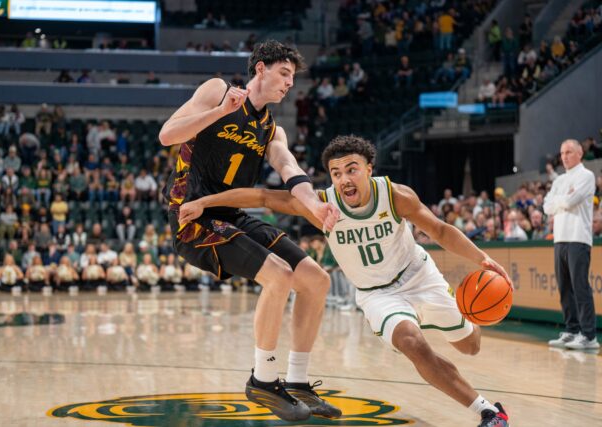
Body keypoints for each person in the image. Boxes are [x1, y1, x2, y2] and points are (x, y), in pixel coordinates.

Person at [179, 135, 513, 427]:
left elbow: (439, 230)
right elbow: (264, 197)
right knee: (413, 344)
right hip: (378, 295)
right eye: (336, 173)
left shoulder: (395, 195)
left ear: (369, 168)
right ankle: (489, 412)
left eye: (351, 169)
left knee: (471, 347)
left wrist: (481, 259)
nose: (344, 179)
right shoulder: (323, 205)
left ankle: (458, 320)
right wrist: (204, 202)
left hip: (420, 277)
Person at [158, 39, 340, 421]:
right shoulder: (217, 90)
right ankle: (263, 379)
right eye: (284, 73)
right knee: (279, 274)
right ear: (260, 69)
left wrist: (315, 204)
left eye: (293, 77)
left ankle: (297, 382)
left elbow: (290, 170)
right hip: (192, 217)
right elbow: (168, 135)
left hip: (231, 214)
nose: (290, 83)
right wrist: (220, 112)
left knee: (316, 279)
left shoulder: (272, 130)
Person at [544, 139, 598, 350]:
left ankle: (589, 336)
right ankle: (571, 330)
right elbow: (547, 206)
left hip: (579, 238)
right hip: (560, 239)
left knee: (580, 287)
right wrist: (560, 201)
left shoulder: (587, 176)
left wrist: (559, 202)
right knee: (565, 288)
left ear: (580, 154)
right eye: (562, 153)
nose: (564, 156)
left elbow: (568, 202)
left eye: (568, 152)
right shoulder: (559, 181)